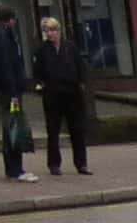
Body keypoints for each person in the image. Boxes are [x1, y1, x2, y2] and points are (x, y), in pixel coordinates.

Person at [0, 7, 39, 186]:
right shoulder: (4, 37)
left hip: (5, 90)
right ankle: (16, 169)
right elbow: (7, 66)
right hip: (11, 93)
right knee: (14, 127)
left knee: (10, 127)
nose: (15, 23)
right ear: (10, 20)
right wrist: (13, 91)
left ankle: (12, 168)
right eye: (14, 19)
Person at [33, 14, 92, 176]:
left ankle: (81, 164)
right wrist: (40, 86)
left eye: (53, 30)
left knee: (77, 130)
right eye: (47, 31)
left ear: (59, 31)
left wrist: (81, 84)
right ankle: (54, 164)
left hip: (72, 93)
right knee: (53, 130)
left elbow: (81, 67)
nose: (50, 34)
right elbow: (37, 72)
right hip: (53, 94)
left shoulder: (70, 47)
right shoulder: (42, 50)